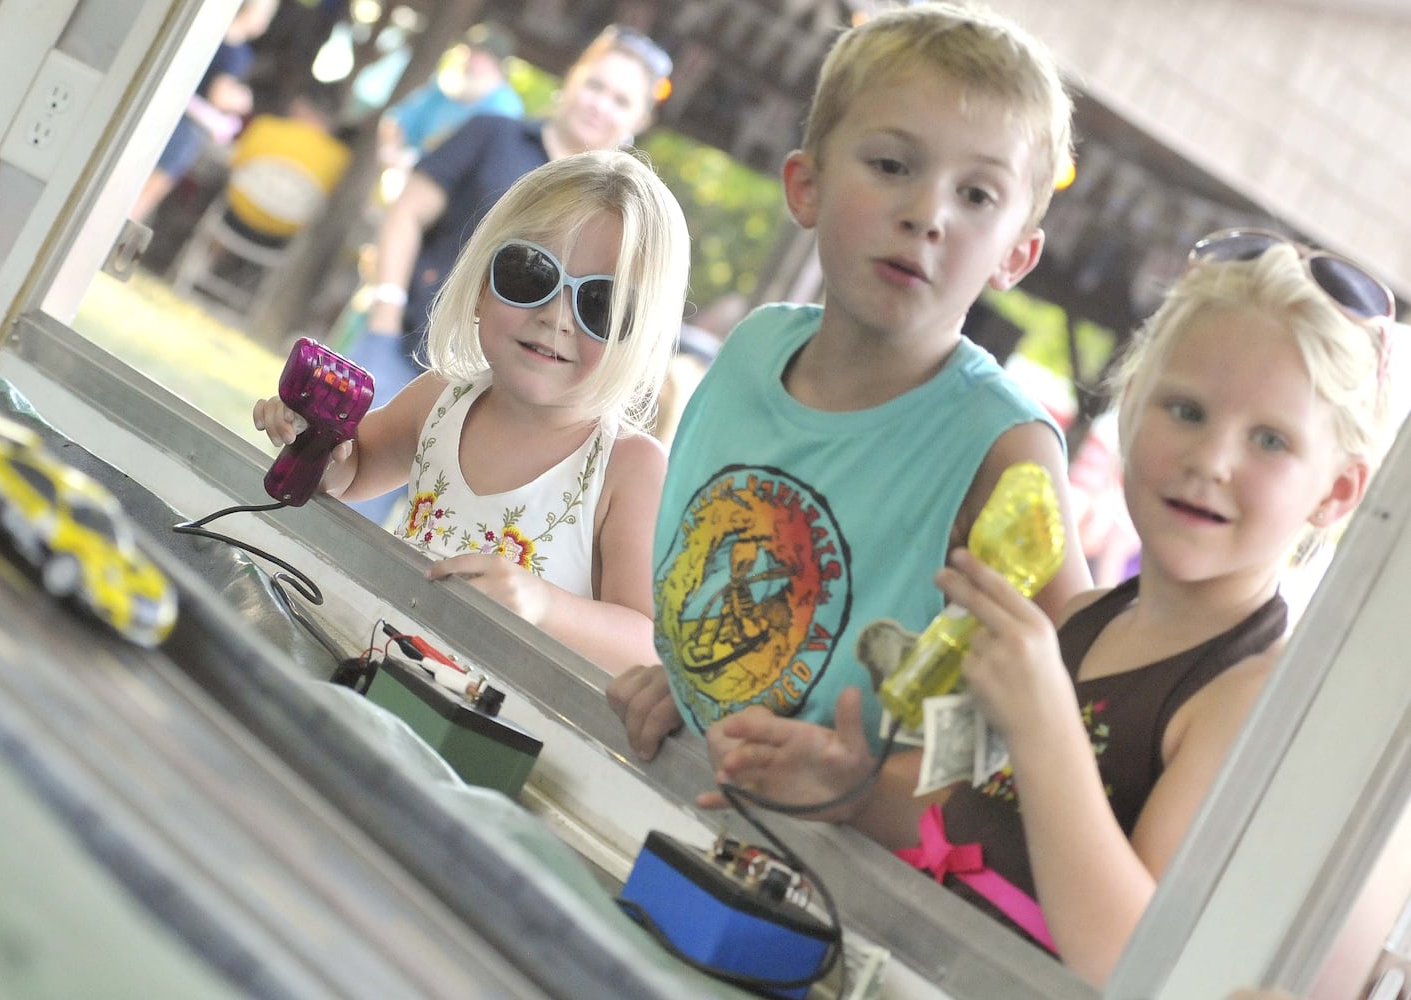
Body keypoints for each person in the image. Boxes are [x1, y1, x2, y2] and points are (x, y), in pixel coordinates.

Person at [702, 231, 1395, 987]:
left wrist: (1044, 726)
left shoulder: (1248, 697)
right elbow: (951, 807)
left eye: (1269, 440)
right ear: (1131, 409)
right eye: (1187, 410)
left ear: (1335, 493)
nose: (1212, 460)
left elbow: (1139, 955)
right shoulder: (1079, 619)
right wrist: (850, 787)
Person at [607, 3, 1091, 775]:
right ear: (807, 185)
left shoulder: (1004, 449)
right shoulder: (752, 349)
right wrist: (690, 688)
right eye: (893, 165)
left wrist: (870, 787)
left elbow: (1070, 727)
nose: (926, 214)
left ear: (1016, 258)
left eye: (977, 196)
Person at [254, 149, 690, 675]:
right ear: (482, 283)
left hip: (493, 729)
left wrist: (547, 607)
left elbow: (647, 643)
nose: (556, 317)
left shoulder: (628, 467)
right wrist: (312, 432)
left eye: (599, 303)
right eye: (531, 275)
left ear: (640, 337)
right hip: (370, 659)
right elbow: (349, 473)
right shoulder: (441, 399)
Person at [344, 23, 672, 527]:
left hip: (513, 398)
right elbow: (407, 211)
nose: (600, 105)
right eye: (596, 85)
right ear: (571, 78)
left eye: (621, 100)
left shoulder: (622, 214)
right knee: (346, 493)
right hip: (410, 344)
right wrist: (386, 309)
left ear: (640, 120)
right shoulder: (493, 133)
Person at [130, 0, 279, 223]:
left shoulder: (206, 32)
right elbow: (219, 94)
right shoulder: (237, 53)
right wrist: (242, 99)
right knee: (151, 189)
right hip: (188, 128)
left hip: (163, 112)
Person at [376, 22, 523, 172]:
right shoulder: (445, 89)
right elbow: (396, 121)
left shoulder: (506, 108)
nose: (466, 57)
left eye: (476, 52)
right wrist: (393, 153)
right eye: (467, 50)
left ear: (493, 61)